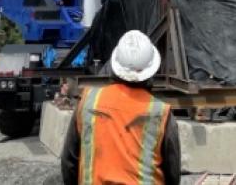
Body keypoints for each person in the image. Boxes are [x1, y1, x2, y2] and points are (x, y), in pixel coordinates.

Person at [61, 30, 181, 185]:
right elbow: (172, 172)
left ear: (115, 67)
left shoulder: (89, 101)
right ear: (151, 71)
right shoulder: (161, 113)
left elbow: (69, 161)